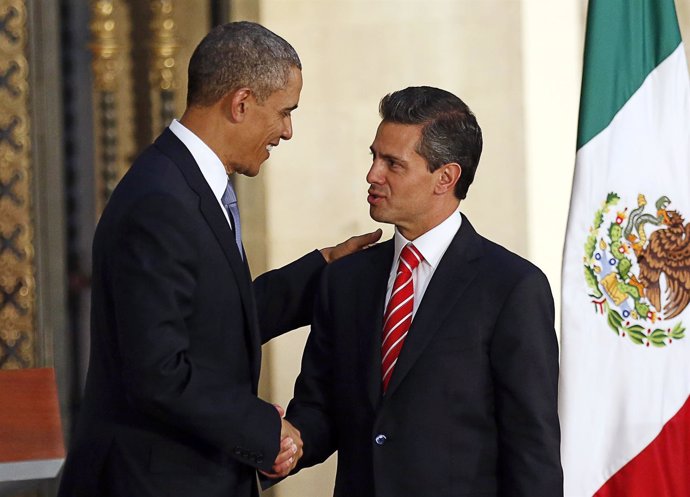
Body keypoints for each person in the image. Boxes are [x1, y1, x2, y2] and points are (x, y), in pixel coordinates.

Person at [57, 21, 379, 497]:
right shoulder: (160, 201)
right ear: (242, 103)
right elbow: (158, 371)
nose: (287, 132)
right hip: (152, 481)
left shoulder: (187, 182)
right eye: (284, 112)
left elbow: (210, 318)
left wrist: (321, 272)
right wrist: (265, 431)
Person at [282, 86, 563, 496]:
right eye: (374, 156)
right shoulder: (345, 280)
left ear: (445, 177)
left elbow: (531, 448)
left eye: (392, 163)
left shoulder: (512, 287)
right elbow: (320, 407)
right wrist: (281, 444)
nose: (372, 174)